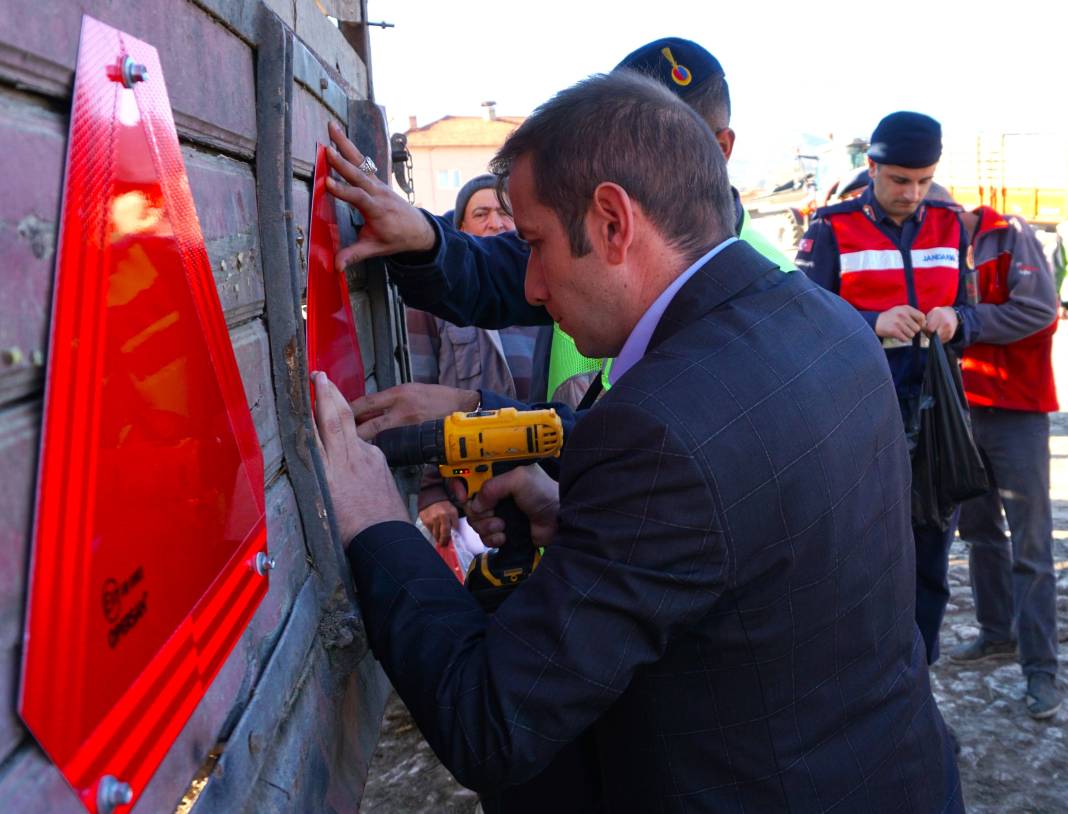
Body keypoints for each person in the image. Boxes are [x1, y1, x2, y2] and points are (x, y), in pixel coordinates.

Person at [313, 71, 962, 811]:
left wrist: (375, 524)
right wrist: (595, 524)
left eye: (533, 243)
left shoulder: (656, 431)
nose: (529, 284)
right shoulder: (826, 321)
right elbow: (757, 538)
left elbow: (492, 722)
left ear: (614, 223)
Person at [323, 38, 798, 438]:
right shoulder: (573, 239)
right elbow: (488, 274)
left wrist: (475, 413)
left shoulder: (775, 301)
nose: (537, 286)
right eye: (610, 144)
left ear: (719, 149)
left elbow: (652, 452)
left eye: (663, 144)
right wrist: (424, 237)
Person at [795, 111, 979, 667]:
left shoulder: (951, 224)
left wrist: (956, 321)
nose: (913, 193)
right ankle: (860, 677)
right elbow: (800, 319)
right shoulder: (830, 227)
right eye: (900, 180)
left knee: (931, 554)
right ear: (871, 168)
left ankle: (918, 679)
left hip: (936, 414)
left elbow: (972, 312)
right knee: (861, 552)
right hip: (858, 413)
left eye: (924, 180)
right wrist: (871, 321)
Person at [947, 205, 1061, 720]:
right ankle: (997, 634)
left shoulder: (1010, 236)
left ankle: (1041, 669)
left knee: (1031, 546)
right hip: (963, 410)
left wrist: (966, 323)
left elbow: (1039, 311)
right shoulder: (935, 244)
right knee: (979, 531)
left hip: (1017, 412)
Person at [407, 175, 545, 573]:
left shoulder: (545, 290)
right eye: (480, 213)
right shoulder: (436, 301)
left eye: (505, 212)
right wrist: (430, 492)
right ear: (461, 229)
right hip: (468, 490)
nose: (494, 222)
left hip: (544, 473)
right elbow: (419, 390)